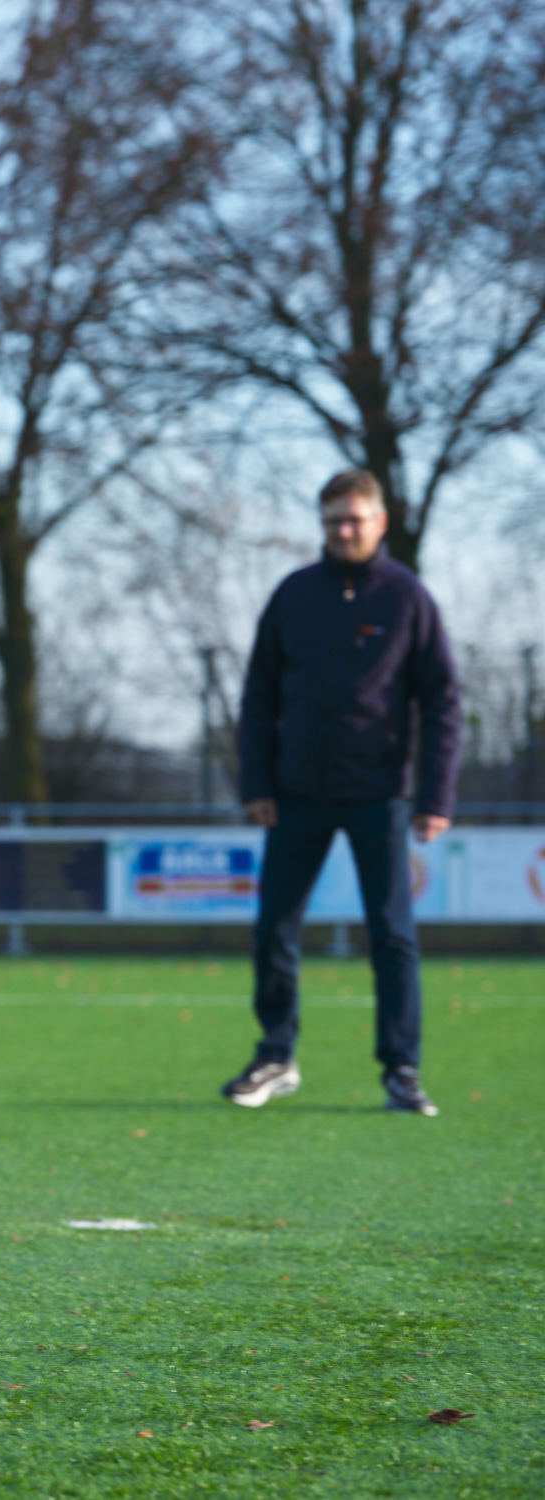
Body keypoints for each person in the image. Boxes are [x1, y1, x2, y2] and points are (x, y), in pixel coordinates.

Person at [224, 468, 461, 1115]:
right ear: (321, 525)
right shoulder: (293, 595)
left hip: (378, 795)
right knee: (275, 924)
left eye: (355, 518)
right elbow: (259, 697)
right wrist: (258, 782)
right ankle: (275, 1054)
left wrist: (435, 795)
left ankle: (401, 1069)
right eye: (333, 521)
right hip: (294, 794)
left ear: (380, 521)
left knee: (391, 934)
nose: (344, 530)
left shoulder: (409, 599)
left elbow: (442, 702)